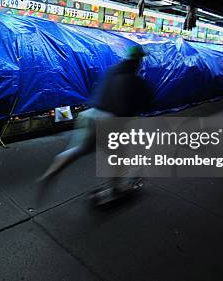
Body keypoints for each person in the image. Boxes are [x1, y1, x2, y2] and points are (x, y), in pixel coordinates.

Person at [37, 45, 151, 200]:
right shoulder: (132, 78)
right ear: (138, 60)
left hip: (91, 114)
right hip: (109, 119)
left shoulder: (112, 70)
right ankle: (115, 188)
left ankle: (51, 172)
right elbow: (128, 106)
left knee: (79, 149)